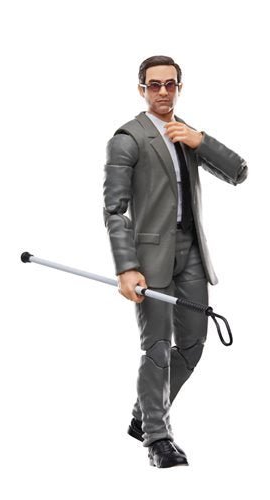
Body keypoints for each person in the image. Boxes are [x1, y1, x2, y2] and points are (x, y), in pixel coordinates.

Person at [103, 55, 248, 468]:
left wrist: (201, 141)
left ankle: (143, 412)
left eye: (170, 84)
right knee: (157, 348)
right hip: (150, 258)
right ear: (142, 89)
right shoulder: (128, 138)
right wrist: (126, 266)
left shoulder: (185, 132)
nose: (163, 92)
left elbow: (239, 172)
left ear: (179, 88)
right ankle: (157, 437)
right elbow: (114, 209)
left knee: (192, 345)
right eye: (154, 85)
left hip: (191, 253)